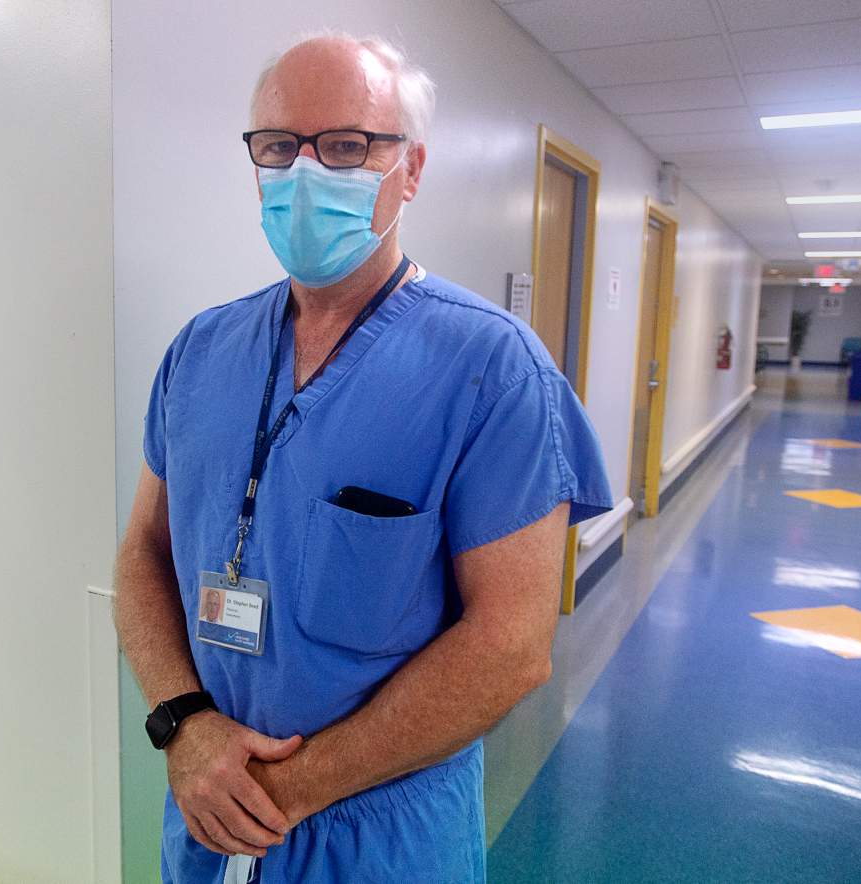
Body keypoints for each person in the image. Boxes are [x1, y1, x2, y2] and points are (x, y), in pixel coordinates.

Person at [113, 31, 613, 884]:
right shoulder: (200, 352)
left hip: (378, 837)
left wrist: (289, 790)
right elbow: (142, 555)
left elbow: (511, 645)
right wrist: (183, 725)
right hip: (206, 811)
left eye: (346, 146)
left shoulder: (493, 371)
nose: (305, 174)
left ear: (409, 170)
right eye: (278, 147)